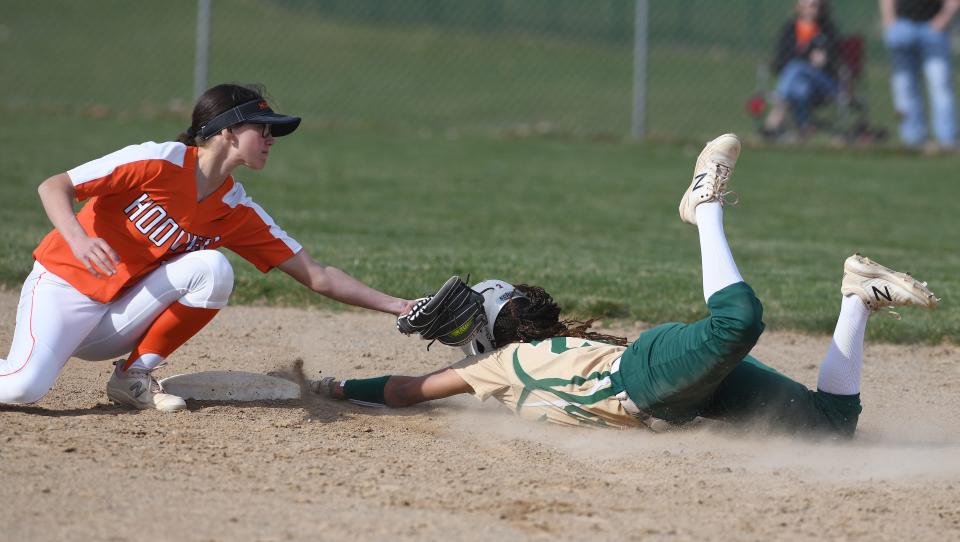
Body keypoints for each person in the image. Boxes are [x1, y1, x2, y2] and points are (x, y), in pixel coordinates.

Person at [315, 134, 939, 437]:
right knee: (830, 431)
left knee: (738, 322)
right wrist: (345, 387)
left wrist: (342, 387)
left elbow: (408, 389)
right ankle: (855, 297)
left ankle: (704, 205)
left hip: (646, 375)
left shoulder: (499, 366)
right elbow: (411, 389)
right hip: (674, 391)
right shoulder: (512, 362)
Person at [0, 83, 415, 413]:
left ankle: (132, 377)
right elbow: (55, 185)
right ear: (228, 130)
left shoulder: (236, 208)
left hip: (119, 318)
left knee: (213, 269)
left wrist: (398, 305)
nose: (271, 138)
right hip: (63, 289)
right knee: (23, 387)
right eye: (262, 128)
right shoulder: (158, 160)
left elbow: (317, 274)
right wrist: (78, 237)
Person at [880, 0, 959, 150]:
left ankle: (947, 139)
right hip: (902, 25)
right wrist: (889, 21)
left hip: (932, 27)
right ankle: (912, 139)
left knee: (940, 84)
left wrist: (942, 20)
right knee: (904, 85)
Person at [763, 0, 842, 139]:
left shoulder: (826, 28)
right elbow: (780, 60)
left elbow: (829, 60)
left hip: (824, 83)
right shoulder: (790, 28)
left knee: (796, 67)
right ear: (799, 7)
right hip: (799, 81)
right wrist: (808, 56)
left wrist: (814, 58)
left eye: (815, 5)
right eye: (807, 5)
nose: (812, 9)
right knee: (800, 87)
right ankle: (803, 130)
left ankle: (775, 118)